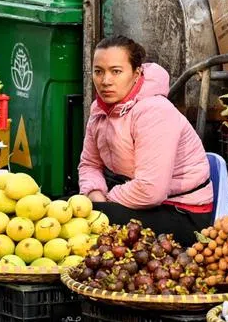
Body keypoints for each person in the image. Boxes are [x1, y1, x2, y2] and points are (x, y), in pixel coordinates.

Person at [78, 35, 214, 245]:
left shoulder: (154, 111)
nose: (105, 81)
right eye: (98, 71)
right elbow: (89, 164)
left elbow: (151, 190)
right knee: (63, 209)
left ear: (136, 73)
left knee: (84, 221)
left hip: (181, 213)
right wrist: (94, 194)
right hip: (135, 199)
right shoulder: (100, 110)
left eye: (116, 71)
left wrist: (105, 202)